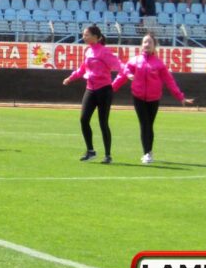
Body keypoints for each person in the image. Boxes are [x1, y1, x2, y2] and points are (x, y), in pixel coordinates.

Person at [111, 34, 195, 164]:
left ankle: (148, 152)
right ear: (141, 45)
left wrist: (180, 97)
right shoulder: (134, 61)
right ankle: (147, 153)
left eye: (150, 42)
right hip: (138, 97)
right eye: (145, 42)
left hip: (154, 99)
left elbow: (170, 81)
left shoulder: (159, 64)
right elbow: (122, 76)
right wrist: (110, 89)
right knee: (144, 124)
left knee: (149, 125)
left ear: (154, 46)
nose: (147, 44)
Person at [62, 24, 122, 164]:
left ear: (95, 37)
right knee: (84, 119)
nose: (84, 37)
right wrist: (71, 78)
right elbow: (82, 69)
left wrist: (129, 73)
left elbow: (119, 64)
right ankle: (90, 151)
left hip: (104, 90)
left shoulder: (105, 52)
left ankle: (108, 155)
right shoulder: (88, 51)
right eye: (84, 34)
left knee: (103, 122)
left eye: (86, 34)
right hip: (90, 89)